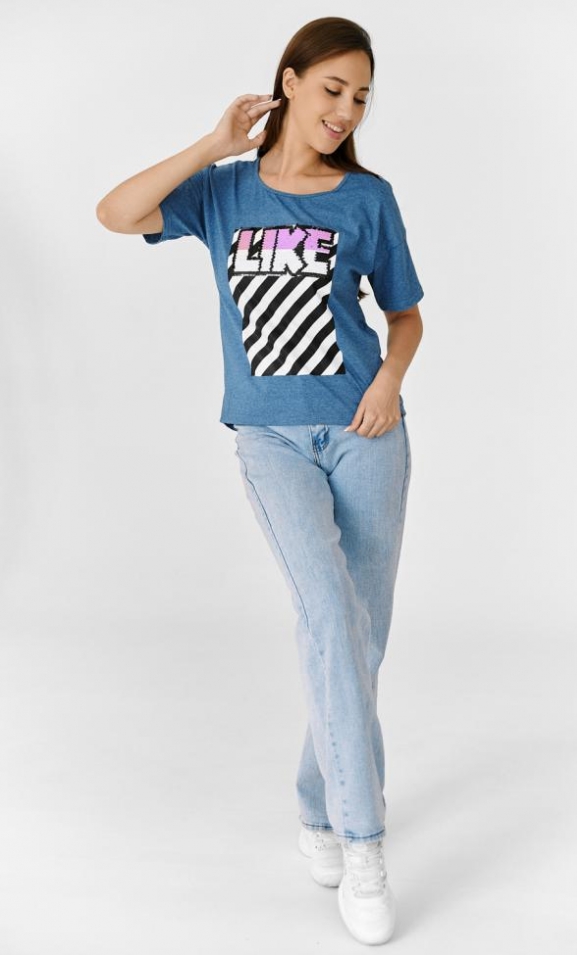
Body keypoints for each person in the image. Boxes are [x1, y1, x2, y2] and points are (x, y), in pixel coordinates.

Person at [96, 16, 424, 946]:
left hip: (369, 433)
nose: (346, 110)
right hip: (270, 438)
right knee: (329, 616)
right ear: (289, 82)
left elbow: (405, 316)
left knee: (360, 639)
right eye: (332, 89)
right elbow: (115, 213)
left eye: (361, 97)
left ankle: (317, 804)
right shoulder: (224, 194)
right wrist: (212, 144)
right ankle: (363, 840)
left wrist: (388, 384)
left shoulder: (367, 198)